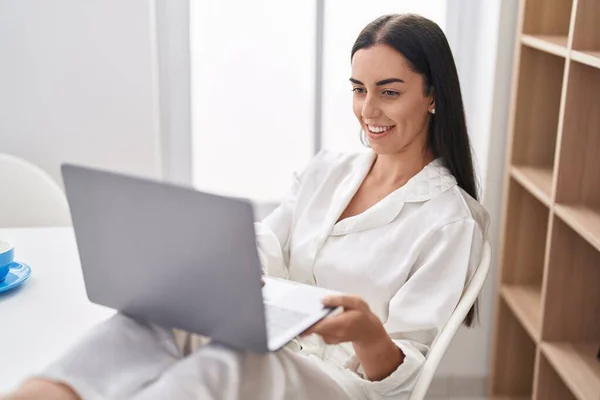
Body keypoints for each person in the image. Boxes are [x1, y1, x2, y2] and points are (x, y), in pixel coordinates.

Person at [7, 13, 489, 400]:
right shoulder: (329, 170)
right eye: (359, 90)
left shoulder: (448, 221)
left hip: (343, 384)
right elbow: (268, 241)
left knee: (228, 361)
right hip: (278, 337)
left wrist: (366, 331)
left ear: (432, 97)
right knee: (154, 317)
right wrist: (224, 271)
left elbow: (404, 382)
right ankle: (44, 392)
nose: (368, 110)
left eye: (389, 91)